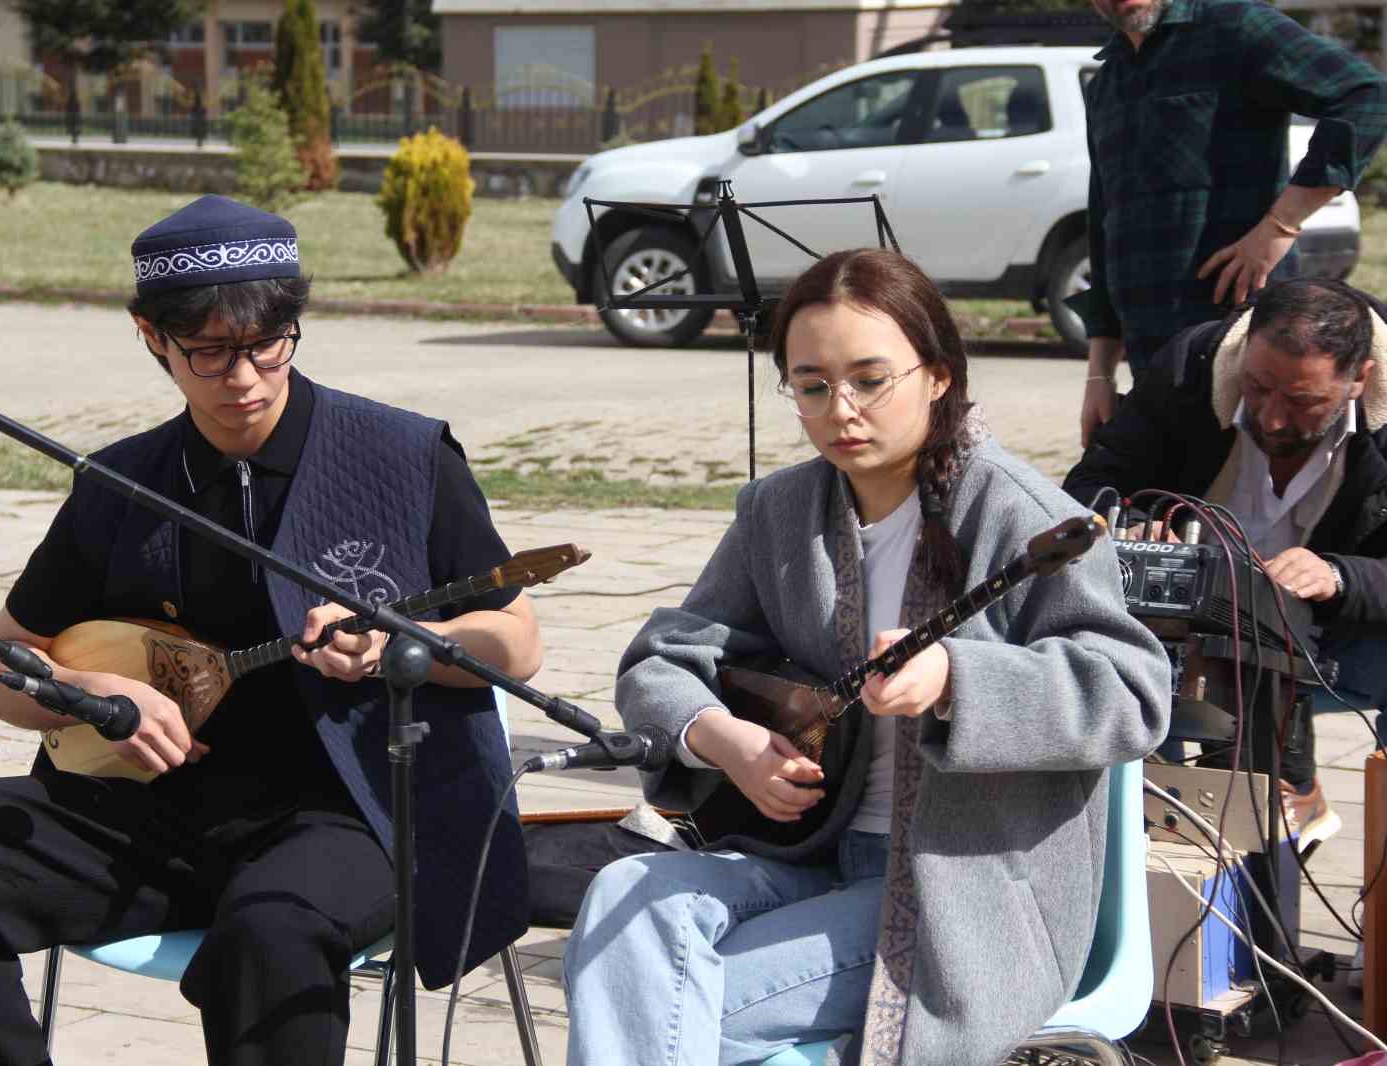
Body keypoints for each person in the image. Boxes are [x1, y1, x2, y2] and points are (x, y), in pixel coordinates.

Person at [0, 195, 543, 1066]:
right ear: (151, 337)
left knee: (270, 931)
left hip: (356, 808)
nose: (243, 377)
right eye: (208, 351)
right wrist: (83, 692)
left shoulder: (401, 457)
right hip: (155, 815)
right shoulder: (122, 482)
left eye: (266, 343)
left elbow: (516, 645)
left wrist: (396, 645)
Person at [563, 249, 1170, 1066]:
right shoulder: (780, 511)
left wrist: (959, 679)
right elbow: (664, 656)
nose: (840, 408)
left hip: (962, 899)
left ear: (941, 375)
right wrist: (724, 739)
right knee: (625, 900)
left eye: (870, 379)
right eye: (812, 385)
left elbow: (1133, 692)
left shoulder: (1022, 517)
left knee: (650, 1002)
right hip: (808, 857)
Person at [1066, 276, 1387, 854]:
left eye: (1303, 401)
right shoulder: (1193, 366)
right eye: (1258, 388)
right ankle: (1166, 858)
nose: (1272, 419)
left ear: (1360, 378)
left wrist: (1338, 574)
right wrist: (1135, 518)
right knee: (1125, 674)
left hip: (1334, 634)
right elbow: (1090, 485)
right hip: (1192, 633)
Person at [1074, 0, 1387, 446]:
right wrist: (1098, 376)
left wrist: (1281, 225)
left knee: (1256, 505)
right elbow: (1104, 223)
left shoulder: (1235, 28)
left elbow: (1365, 96)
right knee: (1175, 508)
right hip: (1155, 362)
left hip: (1244, 342)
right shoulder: (1107, 82)